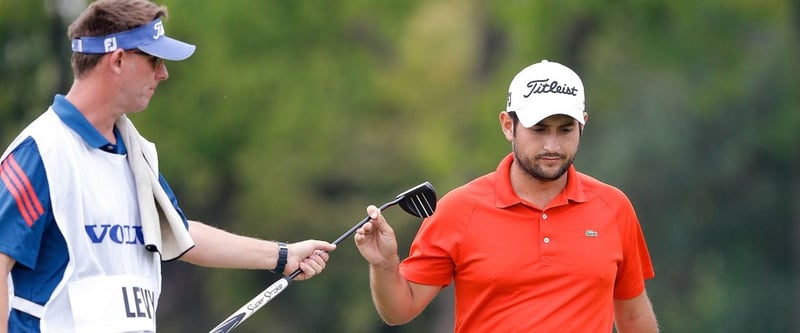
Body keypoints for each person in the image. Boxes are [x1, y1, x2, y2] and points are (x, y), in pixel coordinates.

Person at [0, 0, 336, 332]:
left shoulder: (134, 152)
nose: (163, 73)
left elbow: (179, 233)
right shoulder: (41, 151)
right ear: (118, 60)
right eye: (154, 60)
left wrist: (282, 255)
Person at [355, 59, 659, 332]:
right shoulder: (459, 209)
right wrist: (384, 265)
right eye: (539, 130)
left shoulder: (613, 207)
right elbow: (400, 310)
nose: (552, 145)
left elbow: (632, 317)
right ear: (508, 125)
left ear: (582, 125)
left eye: (565, 130)